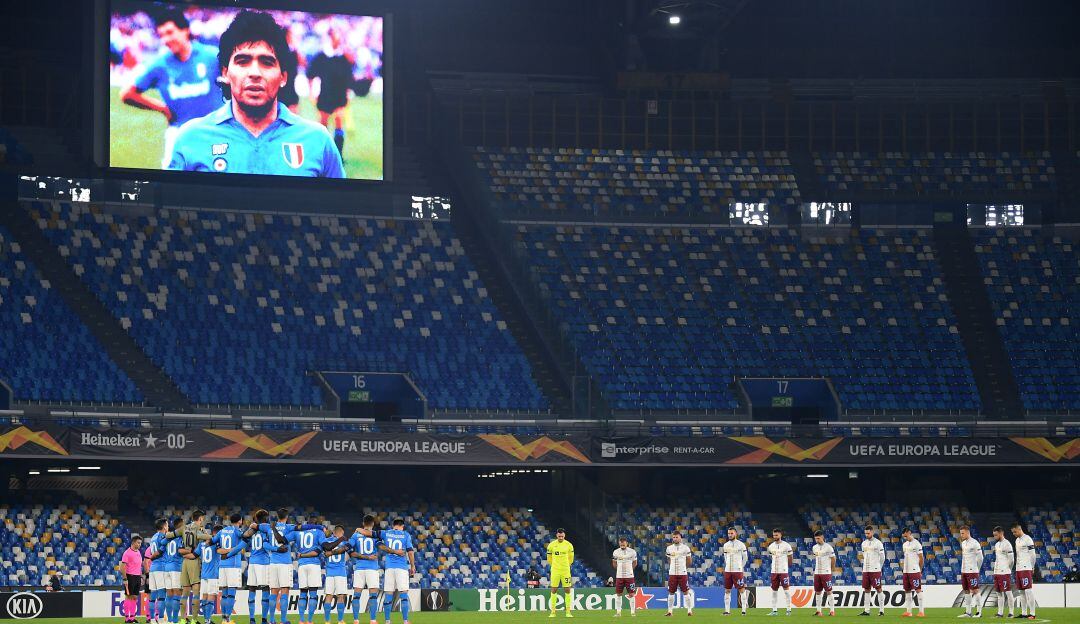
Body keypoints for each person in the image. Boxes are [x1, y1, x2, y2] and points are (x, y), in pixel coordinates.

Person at [167, 11, 345, 178]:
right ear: (225, 73)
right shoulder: (190, 138)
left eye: (267, 62)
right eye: (242, 61)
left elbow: (338, 207)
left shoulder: (318, 141)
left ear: (283, 77)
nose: (255, 73)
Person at [120, 8, 222, 167]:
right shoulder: (159, 64)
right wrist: (161, 108)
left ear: (185, 30)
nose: (166, 39)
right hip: (179, 135)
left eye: (170, 32)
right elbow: (127, 94)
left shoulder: (212, 56)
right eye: (161, 35)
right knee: (171, 185)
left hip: (215, 134)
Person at [307, 27, 356, 155]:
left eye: (339, 37)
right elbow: (310, 74)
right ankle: (320, 152)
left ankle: (338, 154)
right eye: (335, 36)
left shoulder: (343, 57)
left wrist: (348, 91)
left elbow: (349, 75)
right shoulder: (322, 56)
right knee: (323, 124)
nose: (338, 39)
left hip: (339, 94)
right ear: (330, 38)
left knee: (339, 120)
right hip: (326, 94)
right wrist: (312, 91)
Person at [380, 518, 416, 624]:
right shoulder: (406, 535)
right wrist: (412, 566)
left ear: (393, 525)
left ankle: (387, 621)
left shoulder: (386, 533)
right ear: (402, 526)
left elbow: (373, 535)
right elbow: (410, 552)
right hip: (401, 567)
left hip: (389, 567)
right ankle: (405, 621)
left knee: (388, 594)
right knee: (403, 594)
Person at [349, 515, 382, 624]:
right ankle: (372, 620)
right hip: (372, 568)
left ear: (363, 523)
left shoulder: (355, 535)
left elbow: (350, 551)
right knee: (373, 595)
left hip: (359, 568)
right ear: (372, 524)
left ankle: (356, 620)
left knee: (356, 595)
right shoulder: (375, 536)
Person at [179, 510, 210, 624]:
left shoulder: (185, 528)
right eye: (203, 518)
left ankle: (182, 619)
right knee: (196, 591)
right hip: (194, 560)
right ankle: (194, 620)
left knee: (185, 592)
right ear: (200, 518)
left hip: (184, 562)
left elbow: (180, 548)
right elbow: (208, 540)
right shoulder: (198, 529)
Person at [244, 509, 273, 624]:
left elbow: (245, 535)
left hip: (252, 562)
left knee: (252, 589)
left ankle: (251, 618)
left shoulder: (253, 530)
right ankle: (264, 619)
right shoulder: (265, 529)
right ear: (266, 518)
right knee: (265, 589)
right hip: (263, 562)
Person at [216, 514, 246, 624]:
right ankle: (228, 619)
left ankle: (223, 619)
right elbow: (244, 543)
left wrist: (226, 551)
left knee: (224, 593)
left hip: (222, 565)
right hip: (233, 565)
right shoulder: (238, 531)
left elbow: (217, 549)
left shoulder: (222, 531)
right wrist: (234, 549)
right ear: (240, 521)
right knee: (231, 593)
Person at [323, 526, 351, 624]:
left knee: (328, 596)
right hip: (340, 573)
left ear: (334, 532)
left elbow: (324, 554)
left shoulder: (326, 542)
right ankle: (340, 620)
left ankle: (327, 621)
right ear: (341, 533)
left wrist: (330, 553)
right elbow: (349, 550)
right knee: (340, 597)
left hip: (330, 573)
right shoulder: (344, 542)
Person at [546, 528, 575, 619]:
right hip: (555, 570)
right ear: (556, 535)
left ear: (564, 535)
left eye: (562, 536)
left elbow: (571, 558)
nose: (561, 537)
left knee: (567, 589)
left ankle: (568, 611)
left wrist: (566, 566)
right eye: (559, 536)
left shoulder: (569, 545)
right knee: (554, 589)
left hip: (565, 571)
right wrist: (555, 566)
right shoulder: (551, 545)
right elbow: (549, 559)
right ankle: (553, 612)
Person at [1011, 523, 1037, 619]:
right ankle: (1024, 613)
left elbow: (1033, 554)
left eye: (1014, 531)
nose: (1014, 534)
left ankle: (1033, 614)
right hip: (1019, 568)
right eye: (1012, 532)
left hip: (1026, 567)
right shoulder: (1017, 540)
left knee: (1028, 590)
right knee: (1021, 591)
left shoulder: (1028, 539)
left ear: (1019, 529)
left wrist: (1032, 566)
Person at [958, 525, 985, 618]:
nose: (961, 535)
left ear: (968, 532)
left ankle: (979, 612)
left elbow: (980, 558)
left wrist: (977, 569)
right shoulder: (963, 543)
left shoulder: (975, 543)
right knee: (966, 590)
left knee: (975, 590)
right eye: (960, 533)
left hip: (972, 570)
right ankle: (968, 612)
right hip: (964, 570)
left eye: (962, 533)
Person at [664, 531, 693, 617]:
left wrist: (684, 568)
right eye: (674, 537)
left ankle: (689, 611)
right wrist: (672, 567)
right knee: (671, 592)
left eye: (677, 537)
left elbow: (689, 560)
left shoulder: (685, 548)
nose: (675, 539)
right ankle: (670, 611)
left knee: (686, 592)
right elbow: (669, 560)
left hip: (682, 573)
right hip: (672, 573)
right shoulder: (669, 548)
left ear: (680, 537)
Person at [859, 525, 886, 616]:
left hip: (875, 570)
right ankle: (867, 610)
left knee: (878, 588)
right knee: (866, 589)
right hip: (866, 570)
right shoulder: (863, 543)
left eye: (868, 533)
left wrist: (879, 567)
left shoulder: (878, 543)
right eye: (865, 533)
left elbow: (882, 557)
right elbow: (863, 555)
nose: (867, 534)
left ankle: (881, 610)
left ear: (872, 532)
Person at [767, 528, 794, 616]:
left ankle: (789, 609)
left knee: (786, 590)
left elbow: (790, 557)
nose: (775, 537)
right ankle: (774, 610)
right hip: (774, 571)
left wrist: (788, 566)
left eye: (776, 535)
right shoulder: (771, 546)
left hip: (783, 571)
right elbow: (772, 557)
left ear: (780, 535)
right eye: (774, 535)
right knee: (774, 591)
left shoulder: (786, 546)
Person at [991, 526, 1017, 618]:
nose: (994, 536)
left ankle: (1011, 613)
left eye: (996, 535)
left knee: (1008, 592)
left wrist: (1007, 569)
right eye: (994, 535)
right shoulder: (997, 545)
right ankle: (1000, 613)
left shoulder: (1007, 544)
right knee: (999, 593)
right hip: (997, 572)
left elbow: (1012, 560)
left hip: (1004, 572)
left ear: (1001, 533)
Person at [722, 527, 748, 615]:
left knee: (741, 589)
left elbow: (745, 558)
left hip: (738, 570)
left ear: (735, 534)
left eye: (731, 533)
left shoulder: (741, 545)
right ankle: (727, 611)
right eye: (729, 533)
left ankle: (744, 610)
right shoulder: (725, 545)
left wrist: (741, 566)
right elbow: (725, 558)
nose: (730, 535)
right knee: (727, 590)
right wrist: (727, 566)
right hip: (728, 570)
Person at [901, 528, 925, 618]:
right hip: (906, 571)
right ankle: (909, 612)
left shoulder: (917, 544)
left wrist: (920, 570)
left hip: (914, 571)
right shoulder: (904, 545)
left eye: (906, 536)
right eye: (904, 537)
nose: (905, 538)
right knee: (907, 590)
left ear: (909, 533)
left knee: (918, 589)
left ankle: (921, 611)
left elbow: (921, 558)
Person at [811, 530, 836, 617]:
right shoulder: (814, 547)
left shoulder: (828, 547)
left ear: (822, 537)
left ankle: (832, 611)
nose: (817, 540)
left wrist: (831, 570)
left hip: (826, 572)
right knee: (818, 592)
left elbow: (833, 559)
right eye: (816, 539)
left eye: (818, 538)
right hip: (817, 572)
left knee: (829, 591)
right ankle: (818, 611)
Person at [611, 537, 638, 617]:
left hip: (629, 577)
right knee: (618, 594)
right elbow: (614, 563)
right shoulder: (615, 552)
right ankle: (618, 612)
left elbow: (635, 563)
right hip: (619, 576)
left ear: (627, 543)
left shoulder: (632, 552)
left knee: (632, 594)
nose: (622, 544)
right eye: (621, 543)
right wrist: (619, 570)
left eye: (624, 543)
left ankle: (632, 612)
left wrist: (629, 570)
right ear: (619, 543)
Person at [120, 535, 144, 624]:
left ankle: (132, 617)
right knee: (128, 597)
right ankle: (127, 618)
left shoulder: (138, 552)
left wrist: (141, 577)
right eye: (138, 542)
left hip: (137, 577)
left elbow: (139, 566)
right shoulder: (127, 553)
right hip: (130, 577)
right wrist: (125, 579)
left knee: (134, 597)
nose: (140, 544)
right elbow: (122, 568)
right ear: (133, 542)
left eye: (140, 543)